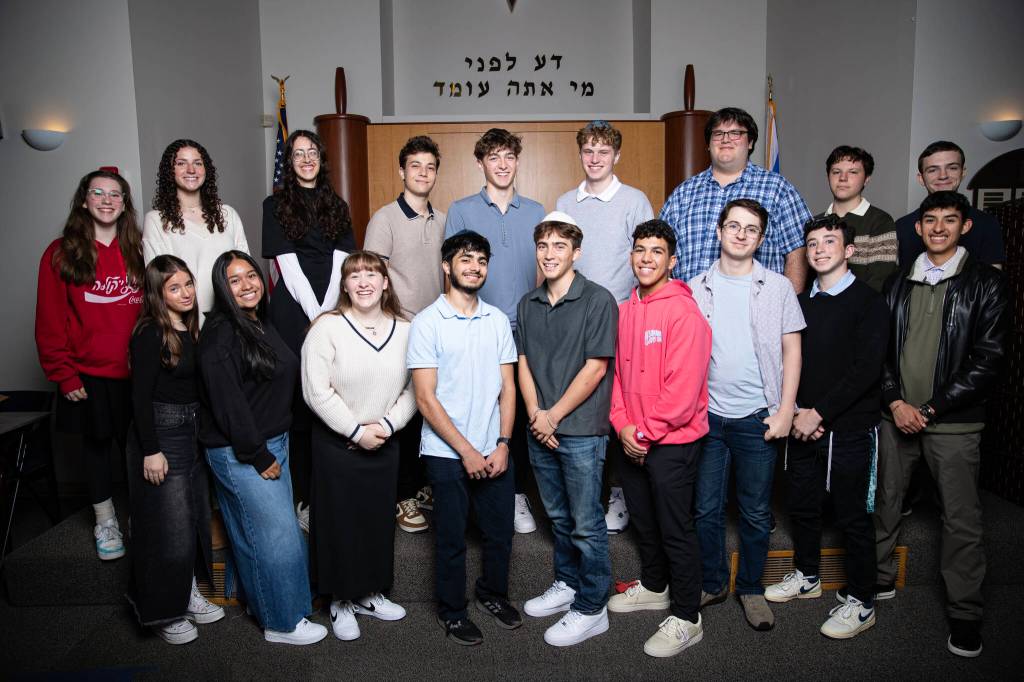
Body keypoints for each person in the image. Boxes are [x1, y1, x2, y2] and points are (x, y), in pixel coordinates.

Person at [874, 191, 1008, 658]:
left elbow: (988, 360)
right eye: (929, 220)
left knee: (962, 519)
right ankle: (878, 580)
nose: (937, 228)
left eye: (949, 220)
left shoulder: (984, 285)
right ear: (918, 227)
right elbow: (882, 353)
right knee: (886, 501)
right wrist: (895, 402)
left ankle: (966, 613)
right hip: (896, 418)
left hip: (953, 424)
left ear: (964, 227)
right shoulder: (896, 283)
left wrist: (929, 410)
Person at [764, 215, 888, 640]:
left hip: (849, 428)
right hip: (803, 422)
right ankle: (807, 575)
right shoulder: (801, 302)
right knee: (803, 505)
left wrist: (822, 413)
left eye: (829, 241)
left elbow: (866, 369)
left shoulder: (869, 302)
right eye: (812, 242)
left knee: (853, 515)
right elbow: (789, 361)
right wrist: (798, 409)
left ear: (849, 251)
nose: (819, 249)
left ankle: (862, 600)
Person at [688, 198, 804, 631]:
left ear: (760, 238)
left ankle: (751, 589)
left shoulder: (776, 287)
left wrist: (786, 410)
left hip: (758, 418)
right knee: (707, 509)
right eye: (733, 226)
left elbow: (793, 349)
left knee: (755, 512)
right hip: (708, 417)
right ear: (718, 232)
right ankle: (714, 581)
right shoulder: (695, 286)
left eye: (750, 229)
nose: (740, 234)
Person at [199, 251, 326, 646]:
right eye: (234, 280)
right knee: (277, 536)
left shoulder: (258, 322)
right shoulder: (220, 333)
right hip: (246, 450)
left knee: (254, 534)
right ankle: (283, 623)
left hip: (272, 441)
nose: (246, 284)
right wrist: (257, 454)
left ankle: (266, 607)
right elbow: (228, 404)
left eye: (250, 275)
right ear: (223, 288)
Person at [407, 231, 521, 646]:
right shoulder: (427, 323)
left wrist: (504, 442)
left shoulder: (496, 320)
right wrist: (466, 451)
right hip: (446, 451)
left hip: (495, 447)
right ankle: (452, 611)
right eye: (466, 259)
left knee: (499, 533)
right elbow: (424, 397)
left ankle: (492, 594)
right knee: (452, 537)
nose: (474, 267)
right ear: (446, 265)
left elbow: (508, 388)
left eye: (481, 260)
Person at [607, 219, 711, 658]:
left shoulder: (684, 312)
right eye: (639, 250)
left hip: (671, 442)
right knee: (644, 521)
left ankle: (688, 616)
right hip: (632, 438)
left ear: (672, 260)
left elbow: (682, 392)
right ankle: (654, 586)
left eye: (656, 251)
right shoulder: (625, 309)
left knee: (675, 529)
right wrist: (623, 425)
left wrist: (643, 433)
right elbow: (616, 375)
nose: (646, 258)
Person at [301, 251, 417, 642]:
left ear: (386, 282)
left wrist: (385, 425)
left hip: (385, 440)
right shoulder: (326, 327)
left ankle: (369, 592)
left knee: (375, 522)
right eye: (355, 276)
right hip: (338, 444)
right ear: (345, 285)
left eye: (372, 274)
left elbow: (416, 388)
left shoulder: (406, 329)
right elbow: (316, 392)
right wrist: (355, 431)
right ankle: (339, 600)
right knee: (338, 525)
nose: (364, 282)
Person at [517, 213, 618, 647]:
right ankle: (569, 583)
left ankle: (593, 607)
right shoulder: (528, 303)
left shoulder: (598, 299)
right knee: (558, 517)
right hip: (540, 427)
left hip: (578, 429)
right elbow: (522, 364)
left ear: (576, 253)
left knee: (585, 523)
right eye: (543, 246)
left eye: (560, 246)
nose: (549, 254)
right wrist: (536, 414)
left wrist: (552, 415)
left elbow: (596, 368)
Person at [35, 169, 144, 561]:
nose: (106, 199)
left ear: (124, 203)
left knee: (139, 449)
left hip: (138, 374)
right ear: (84, 200)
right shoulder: (62, 252)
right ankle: (105, 520)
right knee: (97, 450)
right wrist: (63, 374)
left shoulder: (139, 249)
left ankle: (142, 518)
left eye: (115, 194)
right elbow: (49, 320)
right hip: (88, 374)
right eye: (97, 192)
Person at [554, 120, 654, 534]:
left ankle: (617, 492)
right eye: (588, 151)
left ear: (616, 156)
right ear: (581, 155)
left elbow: (647, 257)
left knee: (620, 402)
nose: (595, 159)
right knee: (585, 402)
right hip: (575, 317)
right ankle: (586, 492)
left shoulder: (634, 200)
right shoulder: (565, 200)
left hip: (621, 316)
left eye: (603, 151)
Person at [445, 128, 545, 534]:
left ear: (517, 161)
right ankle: (477, 492)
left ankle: (518, 494)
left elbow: (547, 270)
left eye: (509, 157)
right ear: (481, 163)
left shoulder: (537, 210)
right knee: (480, 406)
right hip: (481, 325)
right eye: (493, 157)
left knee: (520, 409)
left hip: (527, 326)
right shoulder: (462, 208)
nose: (502, 164)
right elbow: (452, 270)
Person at [126, 255, 223, 644]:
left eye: (188, 284)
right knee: (168, 526)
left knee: (194, 517)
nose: (185, 293)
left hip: (193, 429)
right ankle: (165, 612)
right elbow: (138, 397)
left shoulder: (196, 327)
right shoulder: (150, 332)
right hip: (162, 433)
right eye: (174, 287)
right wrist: (151, 450)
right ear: (158, 294)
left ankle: (186, 592)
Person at [261, 129, 356, 528]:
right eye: (297, 153)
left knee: (333, 396)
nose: (305, 159)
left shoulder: (337, 203)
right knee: (299, 405)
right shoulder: (275, 204)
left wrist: (329, 308)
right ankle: (301, 497)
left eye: (311, 151)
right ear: (290, 161)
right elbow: (286, 263)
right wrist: (314, 311)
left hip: (335, 303)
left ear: (321, 158)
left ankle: (331, 492)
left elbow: (341, 260)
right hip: (292, 307)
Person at [364, 135, 447, 534]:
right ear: (402, 171)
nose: (423, 173)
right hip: (399, 329)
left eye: (430, 167)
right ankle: (402, 495)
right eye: (415, 166)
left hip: (436, 331)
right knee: (404, 413)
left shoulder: (445, 219)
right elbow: (371, 279)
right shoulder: (384, 219)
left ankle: (421, 484)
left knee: (430, 411)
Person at [659, 107, 811, 291]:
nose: (725, 139)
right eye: (718, 134)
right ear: (708, 144)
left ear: (750, 142)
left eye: (735, 133)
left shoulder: (778, 189)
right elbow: (660, 250)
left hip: (756, 310)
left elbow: (797, 252)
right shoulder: (683, 194)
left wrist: (787, 307)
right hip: (690, 310)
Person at [142, 139, 250, 321]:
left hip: (232, 318)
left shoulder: (228, 214)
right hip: (188, 322)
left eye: (197, 163)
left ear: (206, 169)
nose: (191, 170)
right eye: (181, 163)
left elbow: (245, 269)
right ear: (170, 171)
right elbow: (158, 282)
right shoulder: (156, 220)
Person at [895, 141, 1005, 269]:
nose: (943, 176)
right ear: (921, 178)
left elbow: (994, 281)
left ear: (962, 172)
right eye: (933, 170)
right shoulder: (902, 226)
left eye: (952, 168)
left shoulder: (987, 224)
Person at [818, 146, 898, 292]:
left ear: (866, 179)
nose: (843, 178)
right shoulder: (816, 223)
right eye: (836, 172)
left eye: (853, 172)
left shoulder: (880, 221)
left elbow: (880, 281)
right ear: (828, 176)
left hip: (861, 310)